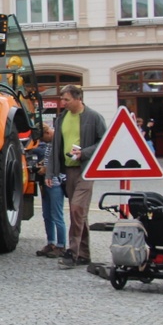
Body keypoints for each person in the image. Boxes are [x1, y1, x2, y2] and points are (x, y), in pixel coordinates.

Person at [47, 84, 106, 269]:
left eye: (66, 99)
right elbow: (55, 147)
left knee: (76, 209)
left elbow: (105, 141)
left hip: (86, 169)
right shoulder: (62, 118)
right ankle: (84, 254)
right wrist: (51, 172)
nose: (62, 103)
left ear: (78, 98)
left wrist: (84, 153)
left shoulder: (94, 117)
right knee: (79, 213)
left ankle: (71, 253)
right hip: (69, 170)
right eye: (62, 99)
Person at [34, 121, 67, 258]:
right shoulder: (49, 144)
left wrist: (45, 169)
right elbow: (48, 160)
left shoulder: (59, 143)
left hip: (56, 183)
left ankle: (61, 245)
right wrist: (42, 164)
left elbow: (58, 162)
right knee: (47, 215)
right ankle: (51, 242)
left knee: (57, 215)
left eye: (43, 138)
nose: (43, 141)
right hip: (47, 183)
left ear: (48, 133)